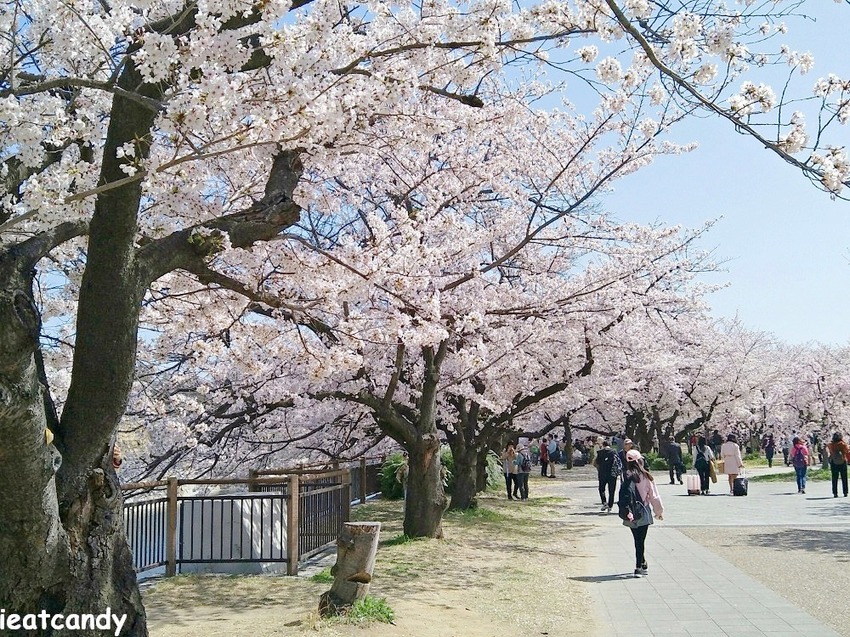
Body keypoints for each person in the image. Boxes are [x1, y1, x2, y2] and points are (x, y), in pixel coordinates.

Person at [618, 449, 664, 578]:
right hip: (643, 510)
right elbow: (654, 496)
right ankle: (638, 567)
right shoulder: (646, 476)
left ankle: (642, 562)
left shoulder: (625, 475)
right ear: (640, 461)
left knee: (636, 539)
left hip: (630, 512)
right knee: (641, 540)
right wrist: (658, 512)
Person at [594, 440, 619, 512]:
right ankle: (610, 506)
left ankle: (604, 502)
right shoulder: (614, 452)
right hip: (612, 473)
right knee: (612, 490)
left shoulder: (600, 452)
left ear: (603, 445)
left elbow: (597, 462)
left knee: (601, 489)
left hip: (602, 473)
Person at [827, 432, 849, 498]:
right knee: (844, 477)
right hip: (843, 461)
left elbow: (830, 451)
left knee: (834, 478)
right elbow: (847, 450)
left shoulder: (831, 444)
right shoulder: (843, 444)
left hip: (834, 462)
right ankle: (845, 492)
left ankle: (835, 493)